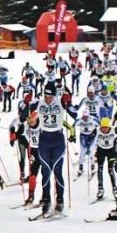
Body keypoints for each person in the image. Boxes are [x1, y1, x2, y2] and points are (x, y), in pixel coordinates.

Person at [34, 83, 76, 214]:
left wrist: (69, 101)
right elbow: (27, 115)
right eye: (46, 96)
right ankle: (46, 199)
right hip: (44, 139)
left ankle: (60, 199)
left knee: (57, 170)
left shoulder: (60, 102)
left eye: (50, 97)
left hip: (57, 140)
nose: (48, 99)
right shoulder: (39, 103)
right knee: (45, 171)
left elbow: (74, 112)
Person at [95, 118, 117, 200]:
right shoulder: (97, 130)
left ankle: (115, 189)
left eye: (106, 127)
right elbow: (90, 139)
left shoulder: (114, 129)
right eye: (103, 127)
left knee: (110, 170)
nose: (104, 129)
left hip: (111, 151)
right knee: (100, 169)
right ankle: (100, 189)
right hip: (101, 150)